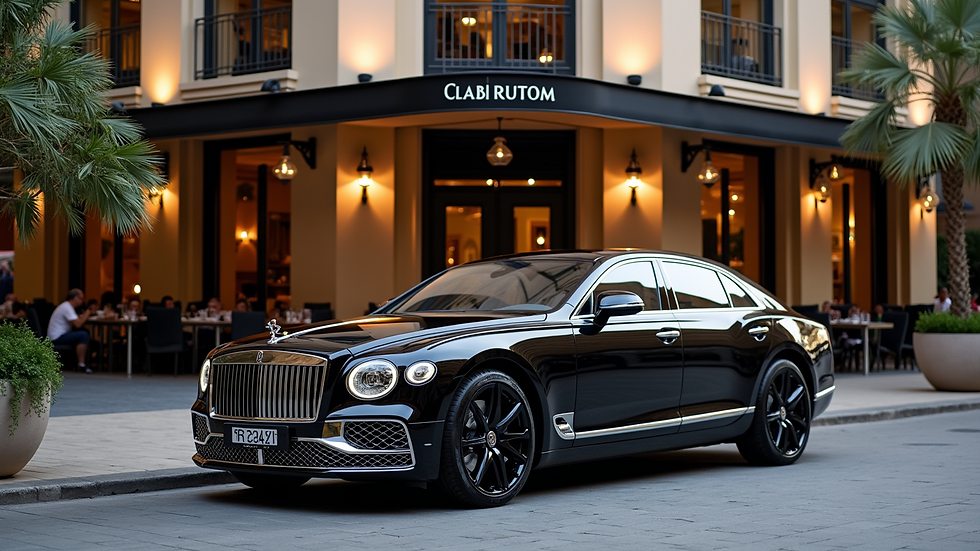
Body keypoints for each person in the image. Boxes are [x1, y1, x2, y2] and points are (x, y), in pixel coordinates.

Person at [48, 288, 94, 373]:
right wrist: (87, 313)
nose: (82, 301)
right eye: (80, 298)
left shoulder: (67, 306)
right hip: (56, 338)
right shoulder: (67, 307)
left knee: (83, 333)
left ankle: (77, 363)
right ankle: (81, 364)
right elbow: (78, 324)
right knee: (83, 334)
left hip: (59, 335)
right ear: (74, 298)